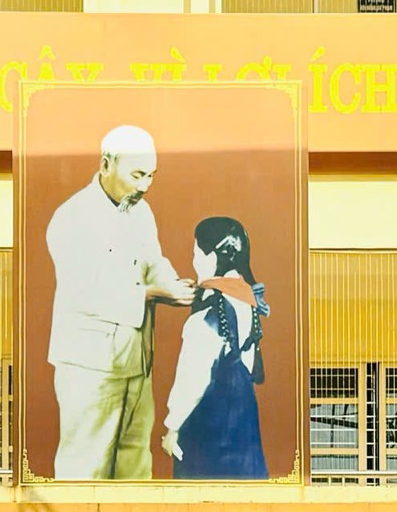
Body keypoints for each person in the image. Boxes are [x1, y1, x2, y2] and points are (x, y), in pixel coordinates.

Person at [46, 122, 196, 480]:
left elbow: (153, 261)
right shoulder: (72, 217)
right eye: (137, 175)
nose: (145, 186)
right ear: (106, 165)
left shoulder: (140, 212)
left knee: (135, 463)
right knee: (86, 466)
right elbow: (86, 291)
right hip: (89, 366)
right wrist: (155, 293)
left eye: (151, 176)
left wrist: (172, 283)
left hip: (136, 361)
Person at [160, 215, 270, 479]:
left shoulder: (207, 315)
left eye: (196, 254)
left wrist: (172, 428)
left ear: (212, 257)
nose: (194, 261)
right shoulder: (248, 301)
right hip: (243, 424)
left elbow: (192, 380)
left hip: (208, 428)